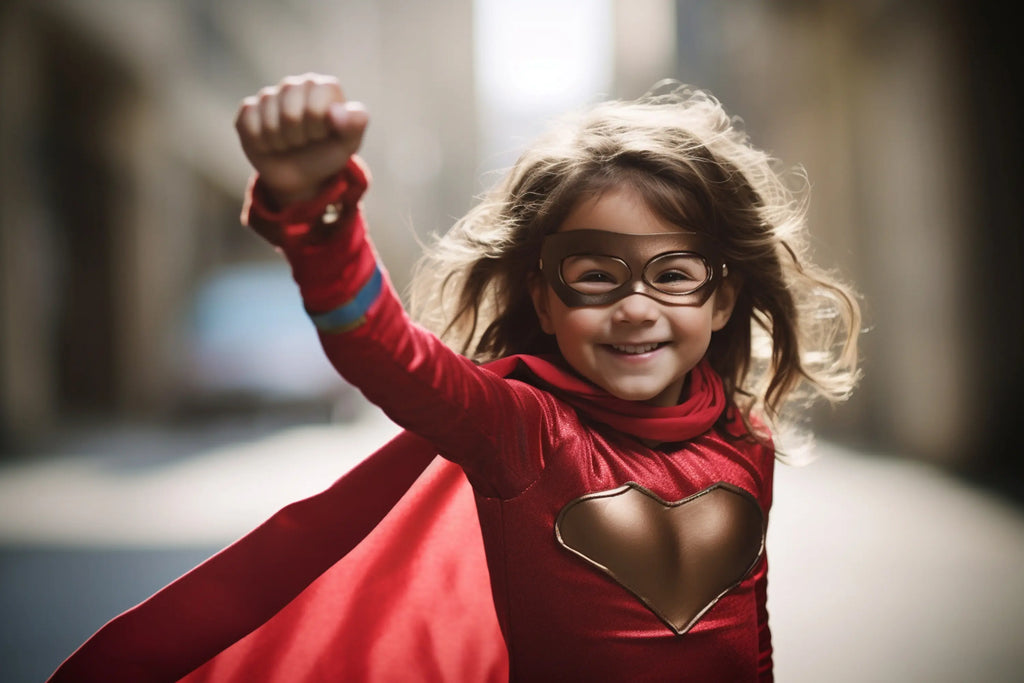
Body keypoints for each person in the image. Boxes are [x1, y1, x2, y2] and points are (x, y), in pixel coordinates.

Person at [49, 73, 860, 682]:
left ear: (723, 298)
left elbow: (751, 635)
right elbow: (381, 349)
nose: (636, 307)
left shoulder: (741, 439)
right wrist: (314, 208)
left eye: (675, 273)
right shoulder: (522, 431)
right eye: (594, 274)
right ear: (542, 297)